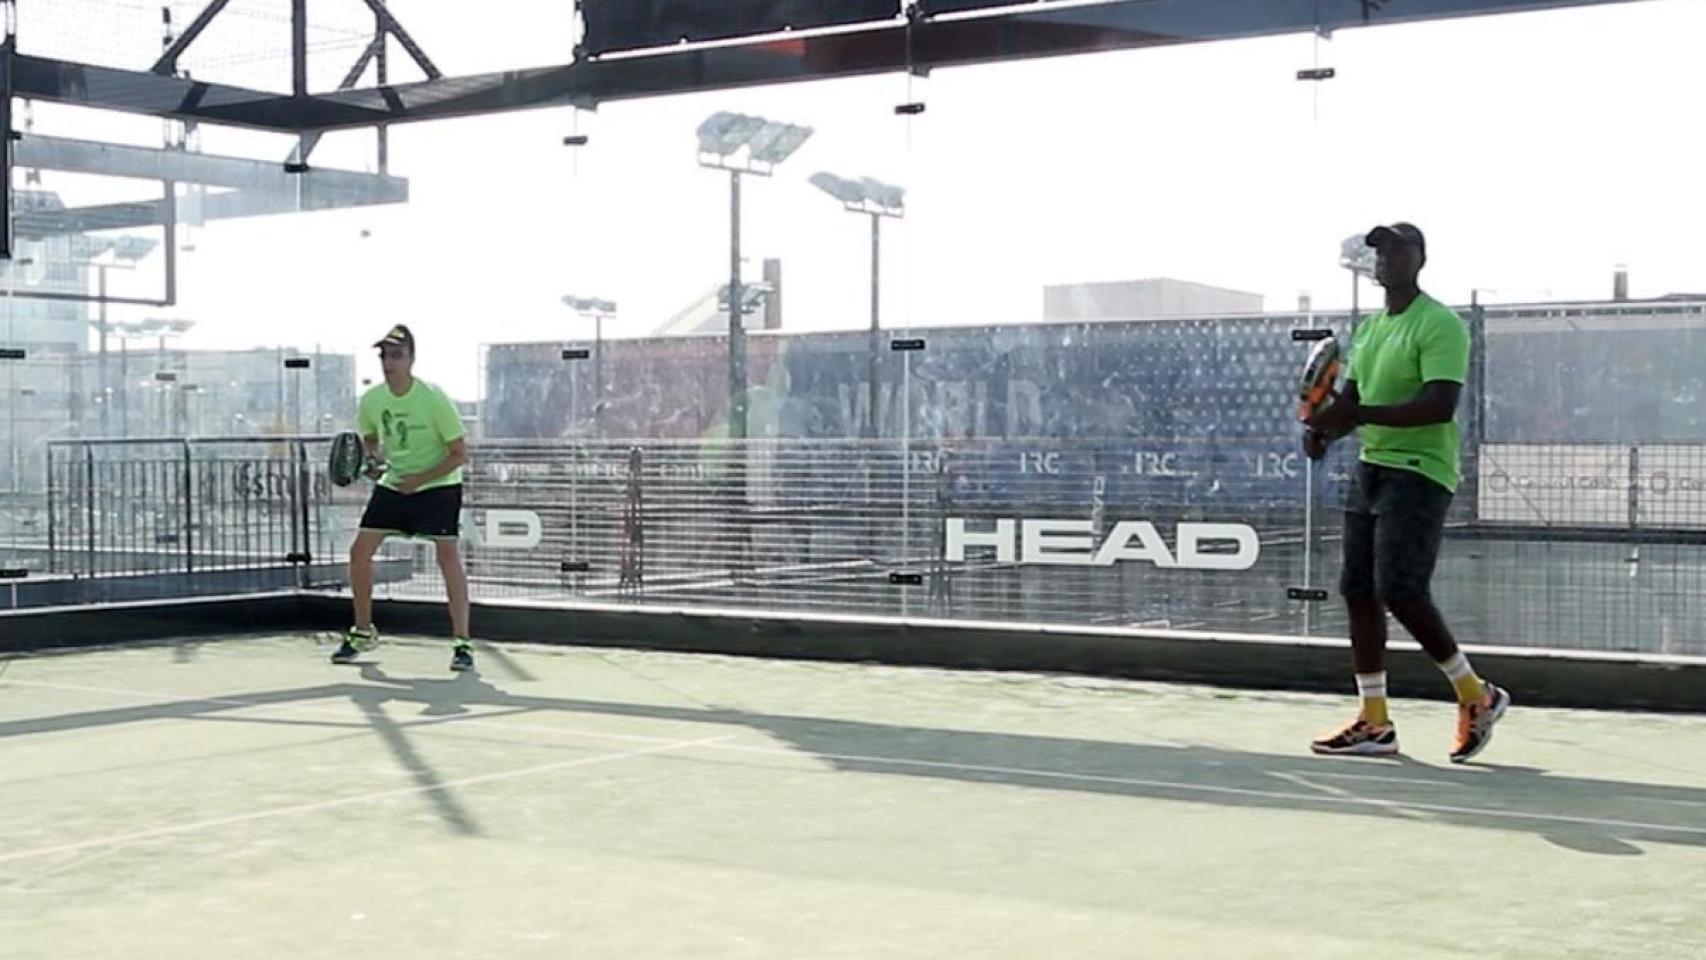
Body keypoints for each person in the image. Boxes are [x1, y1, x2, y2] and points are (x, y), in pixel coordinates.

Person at [1304, 223, 1509, 762]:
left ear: (1419, 259)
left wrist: (1358, 415)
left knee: (1401, 588)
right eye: (1379, 249)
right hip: (1372, 468)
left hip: (1421, 470)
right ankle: (1375, 723)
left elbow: (1439, 405)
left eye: (1397, 248)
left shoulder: (1440, 325)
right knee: (1359, 591)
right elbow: (1350, 401)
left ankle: (1476, 695)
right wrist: (1324, 430)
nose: (1385, 257)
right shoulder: (1370, 330)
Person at [332, 324, 475, 672]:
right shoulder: (372, 400)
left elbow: (459, 453)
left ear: (411, 359)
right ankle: (363, 631)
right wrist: (370, 463)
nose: (389, 362)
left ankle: (462, 643)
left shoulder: (433, 398)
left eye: (396, 355)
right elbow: (370, 443)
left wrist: (421, 479)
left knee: (447, 557)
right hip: (395, 485)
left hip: (438, 485)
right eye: (384, 356)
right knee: (360, 551)